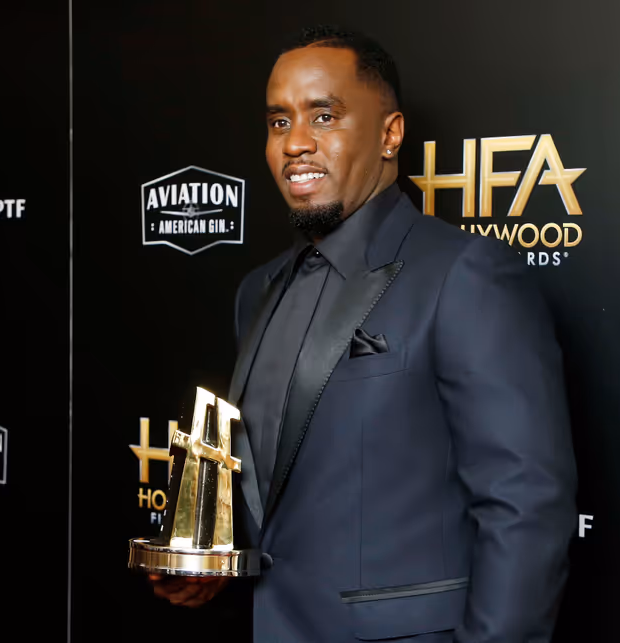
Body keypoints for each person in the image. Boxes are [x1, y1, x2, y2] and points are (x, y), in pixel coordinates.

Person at [150, 25, 577, 642]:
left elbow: (526, 508)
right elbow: (285, 493)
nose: (296, 142)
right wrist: (219, 566)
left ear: (390, 134)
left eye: (324, 116)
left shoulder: (463, 275)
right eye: (279, 122)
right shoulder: (257, 291)